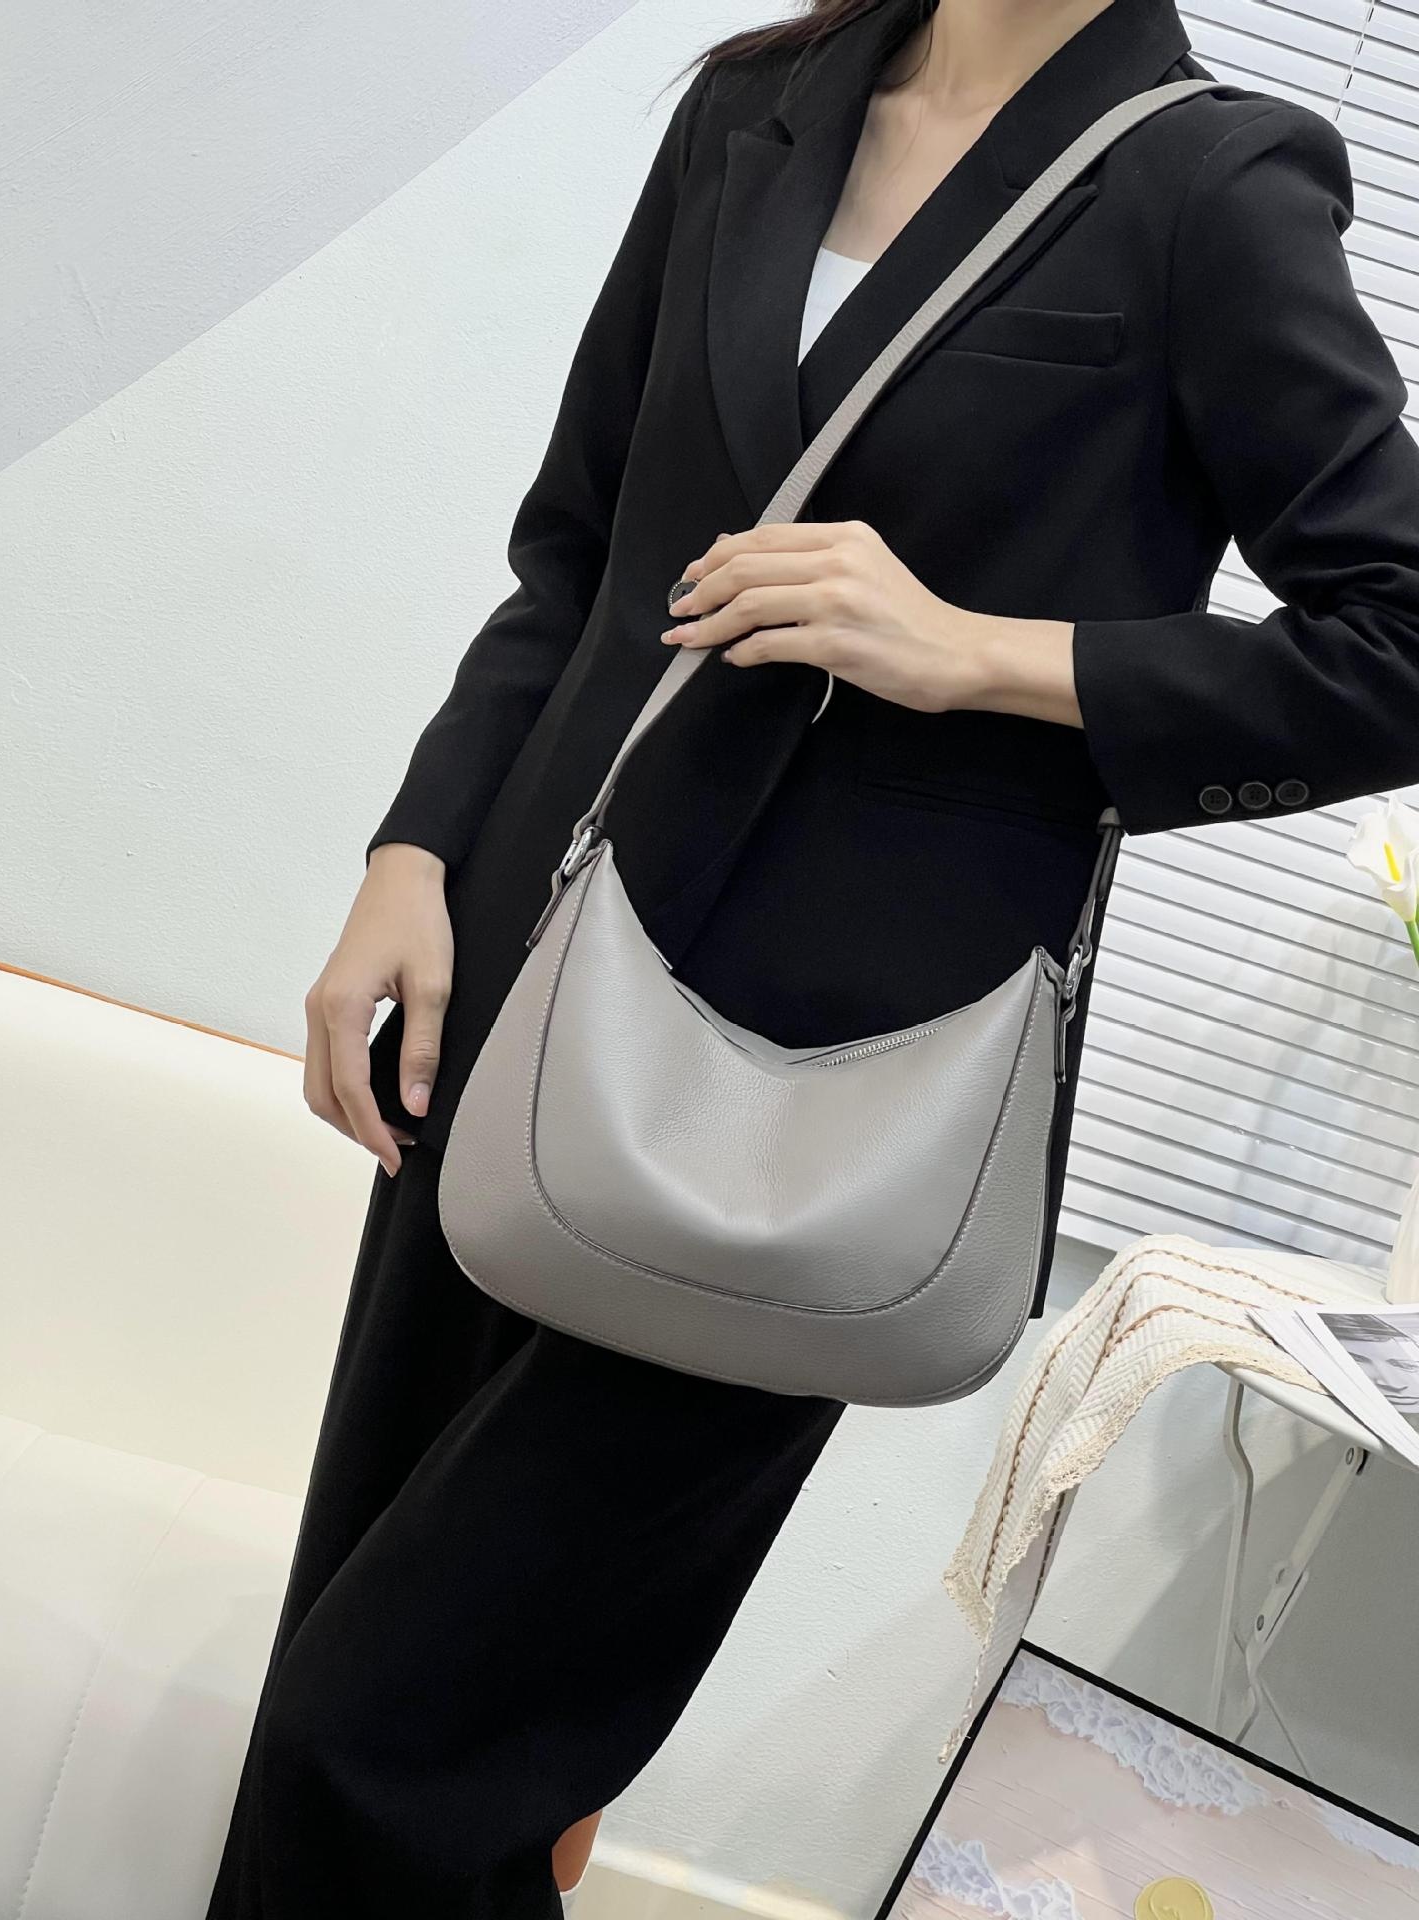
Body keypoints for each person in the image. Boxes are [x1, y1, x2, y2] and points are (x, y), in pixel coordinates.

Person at [205, 0, 1419, 1913]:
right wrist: (413, 847)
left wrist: (980, 651)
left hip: (826, 1094)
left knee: (390, 1747)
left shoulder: (1213, 179)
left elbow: (1396, 638)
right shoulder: (755, 110)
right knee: (364, 1672)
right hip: (519, 974)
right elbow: (578, 553)